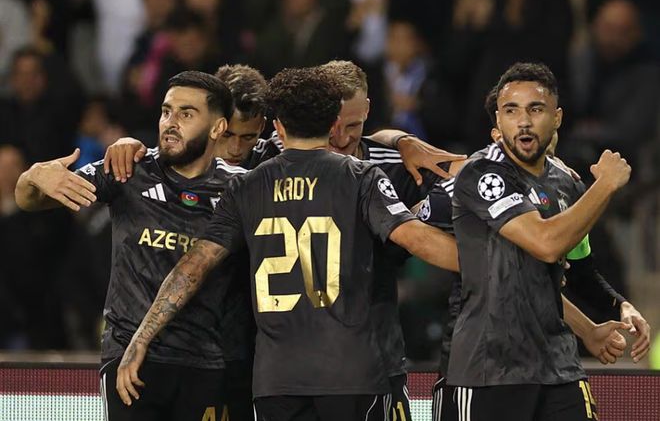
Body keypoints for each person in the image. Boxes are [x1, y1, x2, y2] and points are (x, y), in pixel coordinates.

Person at [115, 66, 461, 421]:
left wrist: (141, 337)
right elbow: (415, 238)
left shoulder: (245, 186)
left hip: (276, 379)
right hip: (350, 372)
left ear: (278, 127)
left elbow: (194, 265)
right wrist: (484, 262)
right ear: (332, 123)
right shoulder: (361, 177)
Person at [15, 70, 240, 421]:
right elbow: (29, 200)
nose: (171, 123)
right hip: (129, 361)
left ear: (217, 128)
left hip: (208, 361)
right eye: (166, 111)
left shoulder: (239, 188)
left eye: (186, 114)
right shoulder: (127, 170)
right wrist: (33, 177)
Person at [426, 84, 651, 421]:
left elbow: (575, 270)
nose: (527, 125)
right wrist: (468, 260)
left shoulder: (566, 184)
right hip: (487, 363)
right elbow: (546, 245)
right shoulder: (477, 176)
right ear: (498, 128)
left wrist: (618, 306)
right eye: (513, 112)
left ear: (556, 120)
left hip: (556, 364)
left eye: (536, 112)